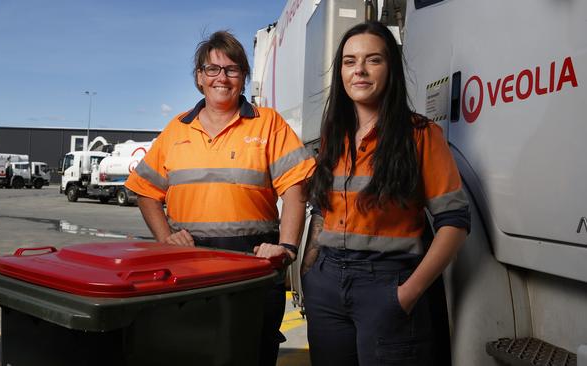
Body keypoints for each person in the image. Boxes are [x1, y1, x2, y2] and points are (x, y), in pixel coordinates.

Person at [125, 30, 315, 366]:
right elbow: (144, 191)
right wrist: (165, 238)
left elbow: (296, 187)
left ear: (243, 77)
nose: (221, 78)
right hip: (188, 272)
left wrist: (286, 248)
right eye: (212, 69)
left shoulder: (268, 124)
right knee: (190, 353)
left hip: (254, 270)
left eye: (231, 69)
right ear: (199, 77)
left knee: (251, 352)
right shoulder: (177, 129)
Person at [303, 21, 470, 366]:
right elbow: (322, 211)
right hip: (327, 286)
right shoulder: (333, 138)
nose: (359, 70)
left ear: (390, 67)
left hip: (386, 283)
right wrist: (310, 272)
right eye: (349, 62)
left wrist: (407, 295)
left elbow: (454, 223)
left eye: (373, 60)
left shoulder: (422, 135)